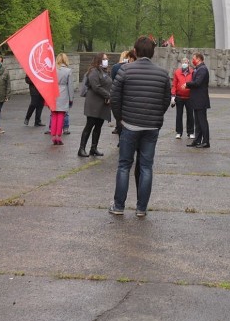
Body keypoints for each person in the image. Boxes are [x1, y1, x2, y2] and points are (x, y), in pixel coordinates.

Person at [109, 36, 171, 217]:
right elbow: (166, 100)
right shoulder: (162, 74)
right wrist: (156, 116)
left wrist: (120, 119)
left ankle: (119, 206)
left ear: (135, 52)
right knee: (146, 167)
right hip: (151, 127)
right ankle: (141, 208)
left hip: (129, 125)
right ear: (152, 53)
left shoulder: (125, 71)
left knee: (124, 166)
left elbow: (114, 97)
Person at [79, 53, 112, 157]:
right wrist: (109, 95)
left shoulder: (105, 71)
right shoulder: (94, 71)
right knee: (89, 125)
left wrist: (108, 96)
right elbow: (96, 86)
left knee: (98, 126)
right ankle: (81, 149)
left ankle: (93, 148)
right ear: (99, 60)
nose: (106, 60)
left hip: (103, 102)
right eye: (104, 59)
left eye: (107, 59)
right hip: (94, 102)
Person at [184, 52, 211, 148]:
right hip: (196, 99)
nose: (192, 60)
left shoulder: (202, 69)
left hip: (201, 99)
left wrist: (187, 84)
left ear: (199, 59)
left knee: (202, 121)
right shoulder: (198, 69)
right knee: (198, 122)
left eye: (194, 58)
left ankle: (206, 141)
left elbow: (198, 82)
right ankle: (197, 140)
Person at [50, 53, 73, 145]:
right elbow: (70, 86)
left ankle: (53, 135)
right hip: (63, 94)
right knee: (61, 116)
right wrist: (71, 98)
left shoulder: (52, 70)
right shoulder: (68, 71)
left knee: (54, 115)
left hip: (53, 93)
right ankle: (58, 136)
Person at [171, 57, 194, 140]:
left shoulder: (192, 72)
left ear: (188, 63)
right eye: (183, 62)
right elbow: (174, 84)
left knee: (190, 115)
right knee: (179, 115)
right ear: (181, 63)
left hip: (189, 97)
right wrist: (173, 96)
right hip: (179, 97)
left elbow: (194, 83)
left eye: (186, 62)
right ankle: (179, 132)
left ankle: (190, 132)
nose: (184, 63)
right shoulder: (177, 72)